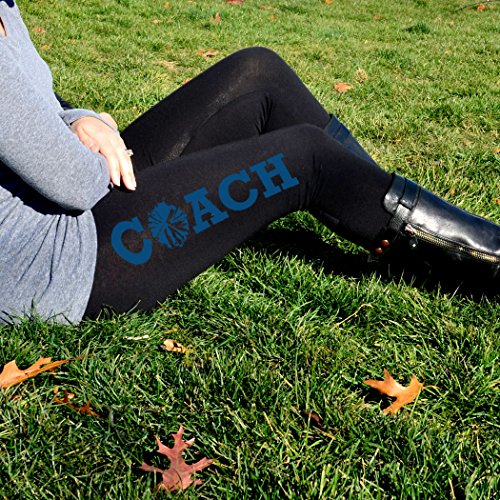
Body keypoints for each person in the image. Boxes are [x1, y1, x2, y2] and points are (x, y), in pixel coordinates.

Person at [0, 1, 498, 325]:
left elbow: (42, 103)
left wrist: (81, 118)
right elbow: (76, 183)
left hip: (68, 196)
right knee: (305, 158)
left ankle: (378, 205)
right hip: (57, 259)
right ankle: (483, 257)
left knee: (258, 75)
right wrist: (93, 138)